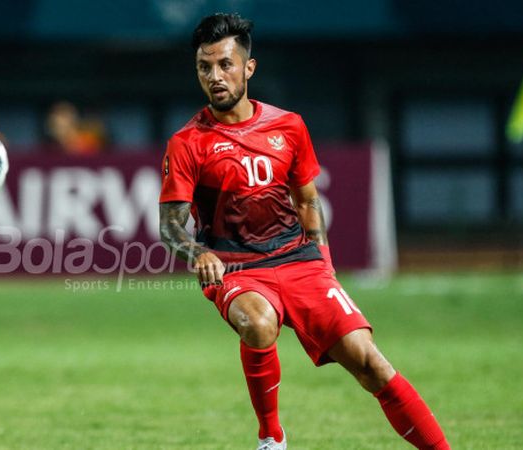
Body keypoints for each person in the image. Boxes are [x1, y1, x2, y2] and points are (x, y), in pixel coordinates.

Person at [158, 14, 450, 450]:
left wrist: (325, 265)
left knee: (372, 364)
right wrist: (196, 252)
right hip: (239, 270)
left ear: (248, 68)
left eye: (225, 64)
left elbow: (308, 201)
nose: (215, 76)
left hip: (301, 263)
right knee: (258, 324)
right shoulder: (188, 143)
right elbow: (169, 227)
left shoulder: (288, 126)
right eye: (205, 67)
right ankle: (272, 438)